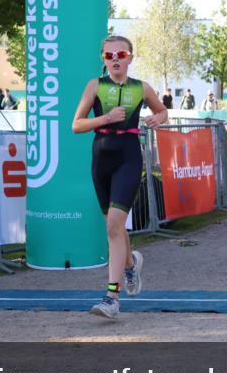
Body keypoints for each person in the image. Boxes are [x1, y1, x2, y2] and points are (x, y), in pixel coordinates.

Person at [72, 35, 168, 319]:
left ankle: (111, 297)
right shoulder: (95, 86)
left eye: (120, 54)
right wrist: (105, 119)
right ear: (103, 59)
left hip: (128, 157)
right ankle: (130, 266)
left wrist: (157, 119)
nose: (115, 59)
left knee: (115, 225)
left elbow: (163, 111)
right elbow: (76, 125)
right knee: (115, 228)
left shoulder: (142, 88)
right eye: (108, 55)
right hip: (101, 159)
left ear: (130, 57)